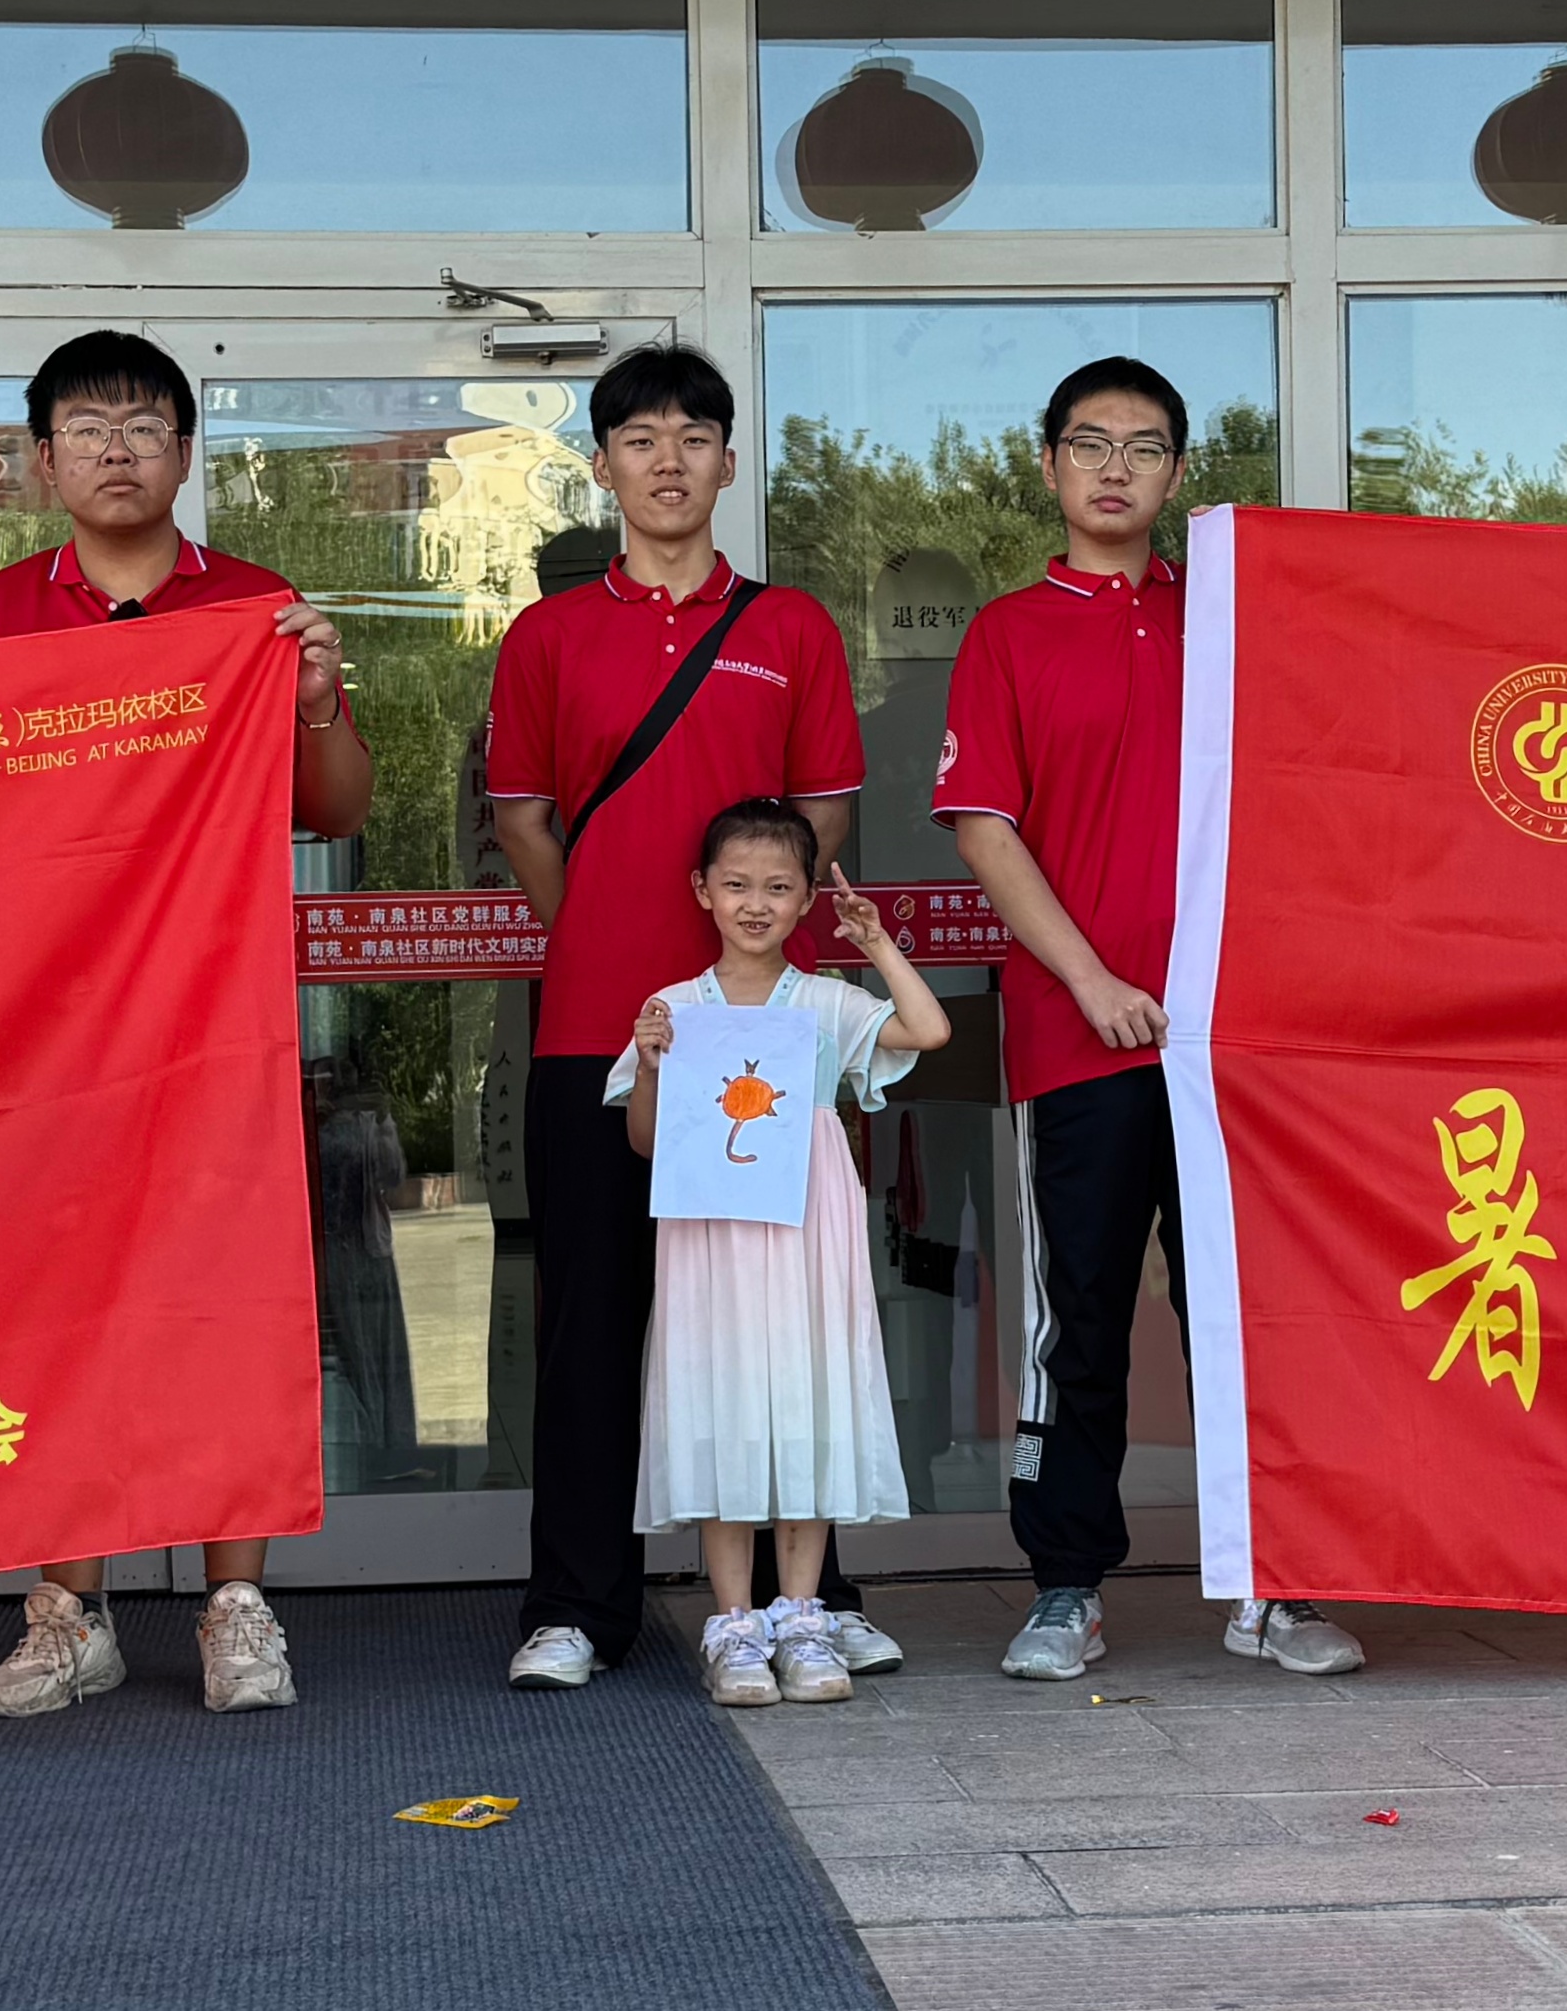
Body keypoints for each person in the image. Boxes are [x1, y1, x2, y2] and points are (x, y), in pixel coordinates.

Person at [0, 331, 373, 1721]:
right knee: (59, 1309)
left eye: (141, 422)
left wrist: (313, 702)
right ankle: (68, 1611)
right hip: (49, 1022)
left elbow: (335, 808)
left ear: (184, 451)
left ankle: (235, 1604)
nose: (115, 445)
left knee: (227, 1296)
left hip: (216, 1011)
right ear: (42, 459)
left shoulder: (254, 609)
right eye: (86, 424)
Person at [938, 358, 1365, 1685]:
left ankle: (1274, 1582)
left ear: (1178, 473)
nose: (1113, 467)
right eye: (1088, 443)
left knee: (1250, 1314)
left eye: (1141, 447)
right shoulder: (1008, 633)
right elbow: (985, 830)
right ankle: (1065, 1584)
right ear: (1047, 463)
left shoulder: (1230, 622)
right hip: (1078, 1035)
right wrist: (1090, 980)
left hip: (1232, 1044)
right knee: (1076, 1321)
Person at [482, 342, 902, 1690]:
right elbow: (523, 818)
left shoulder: (790, 629)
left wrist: (746, 957)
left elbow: (821, 816)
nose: (668, 460)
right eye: (639, 438)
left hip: (765, 1037)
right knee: (591, 1322)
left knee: (778, 1322)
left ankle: (807, 1599)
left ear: (727, 461)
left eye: (693, 436)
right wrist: (605, 930)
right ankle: (575, 1604)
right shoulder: (548, 635)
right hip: (597, 1027)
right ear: (601, 464)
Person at [619, 809, 951, 1707]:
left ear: (806, 899)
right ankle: (733, 1623)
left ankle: (802, 1617)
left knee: (805, 1401)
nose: (755, 903)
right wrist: (648, 1065)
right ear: (702, 891)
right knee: (722, 1401)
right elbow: (644, 1141)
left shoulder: (824, 1002)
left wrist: (873, 942)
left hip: (807, 1230)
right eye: (736, 884)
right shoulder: (676, 1008)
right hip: (712, 1237)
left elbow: (926, 1030)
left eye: (777, 887)